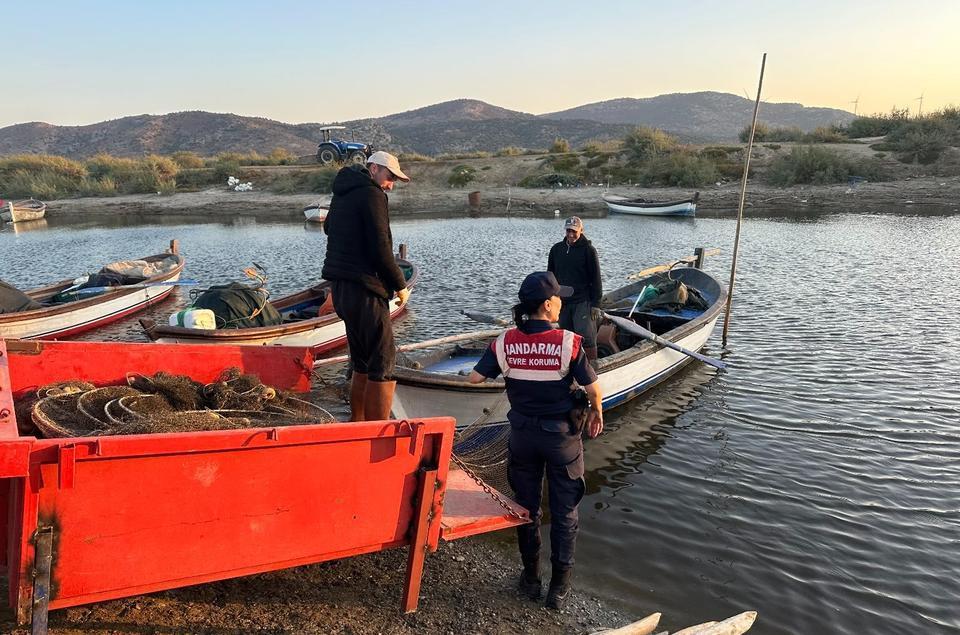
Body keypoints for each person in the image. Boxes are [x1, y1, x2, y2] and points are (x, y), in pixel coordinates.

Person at [468, 271, 603, 610]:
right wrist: (597, 412)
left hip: (523, 437)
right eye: (559, 297)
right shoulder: (569, 342)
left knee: (526, 509)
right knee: (564, 512)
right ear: (547, 304)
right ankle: (558, 589)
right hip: (561, 440)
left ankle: (530, 579)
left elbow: (474, 378)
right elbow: (591, 386)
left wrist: (517, 376)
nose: (562, 302)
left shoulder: (504, 342)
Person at [322, 151, 411, 421]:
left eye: (394, 179)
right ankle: (376, 434)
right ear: (373, 169)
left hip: (340, 289)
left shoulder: (342, 193)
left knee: (361, 361)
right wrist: (400, 284)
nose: (390, 184)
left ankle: (357, 424)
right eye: (389, 177)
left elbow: (328, 230)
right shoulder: (373, 195)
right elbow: (381, 249)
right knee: (383, 363)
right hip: (365, 290)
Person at [547, 216, 603, 366]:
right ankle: (569, 365)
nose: (571, 234)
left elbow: (596, 278)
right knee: (566, 336)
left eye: (574, 231)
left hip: (582, 301)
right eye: (568, 231)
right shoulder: (556, 249)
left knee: (586, 337)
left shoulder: (589, 251)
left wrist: (596, 304)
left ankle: (592, 367)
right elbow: (550, 275)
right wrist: (550, 297)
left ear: (581, 231)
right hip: (562, 302)